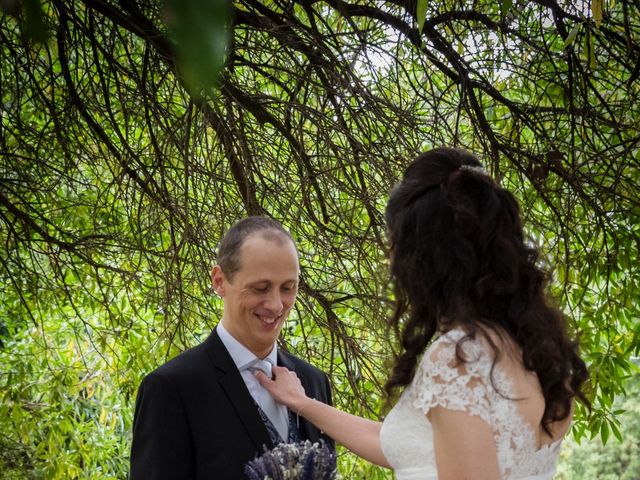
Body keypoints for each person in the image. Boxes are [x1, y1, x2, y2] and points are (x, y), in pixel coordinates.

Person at [257, 148, 590, 479]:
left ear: (423, 256)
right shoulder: (538, 353)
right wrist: (302, 403)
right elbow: (410, 448)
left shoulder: (458, 359)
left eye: (395, 245)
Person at [130, 217, 334, 479]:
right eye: (260, 288)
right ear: (219, 281)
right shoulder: (172, 389)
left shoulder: (314, 382)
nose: (275, 305)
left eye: (288, 288)